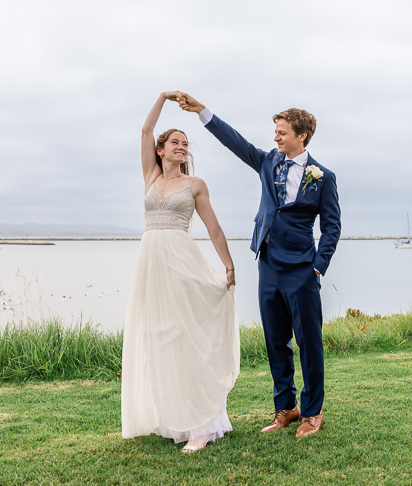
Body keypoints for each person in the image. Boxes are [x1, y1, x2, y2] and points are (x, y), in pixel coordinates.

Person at [177, 92, 341, 438]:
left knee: (309, 343)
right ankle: (286, 407)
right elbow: (235, 141)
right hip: (268, 265)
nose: (276, 137)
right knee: (275, 340)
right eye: (276, 132)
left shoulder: (323, 177)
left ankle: (313, 412)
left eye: (282, 132)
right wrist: (201, 111)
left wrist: (317, 267)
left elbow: (332, 227)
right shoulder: (268, 162)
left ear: (302, 136)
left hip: (302, 269)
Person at [121, 91, 240, 454]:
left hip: (182, 262)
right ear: (161, 149)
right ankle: (171, 416)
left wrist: (229, 265)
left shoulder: (195, 185)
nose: (182, 147)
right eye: (175, 141)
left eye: (186, 144)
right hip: (151, 263)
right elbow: (144, 131)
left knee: (189, 337)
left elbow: (214, 228)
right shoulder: (151, 176)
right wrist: (162, 97)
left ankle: (202, 426)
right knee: (160, 338)